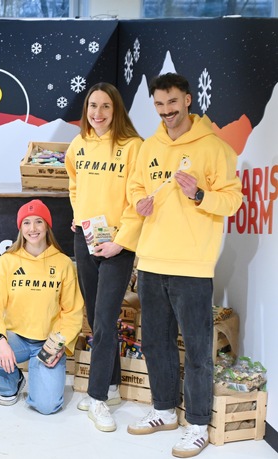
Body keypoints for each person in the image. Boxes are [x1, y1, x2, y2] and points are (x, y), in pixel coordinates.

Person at [126, 73, 242, 458]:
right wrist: (139, 202)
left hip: (193, 265)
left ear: (188, 100)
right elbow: (135, 187)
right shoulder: (149, 147)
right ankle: (163, 410)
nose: (166, 111)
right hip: (151, 260)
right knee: (155, 342)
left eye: (172, 102)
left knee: (196, 349)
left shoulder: (215, 148)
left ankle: (196, 424)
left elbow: (232, 201)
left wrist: (200, 194)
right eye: (159, 104)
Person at [64, 82, 143, 432]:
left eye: (105, 106)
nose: (98, 113)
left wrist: (121, 242)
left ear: (116, 110)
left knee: (107, 318)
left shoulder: (133, 146)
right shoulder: (78, 144)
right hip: (85, 239)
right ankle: (110, 388)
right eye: (92, 106)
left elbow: (138, 201)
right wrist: (78, 213)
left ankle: (96, 398)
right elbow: (74, 184)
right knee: (97, 318)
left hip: (117, 246)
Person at [0, 199, 83, 415]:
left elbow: (72, 311)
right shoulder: (6, 262)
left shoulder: (63, 264)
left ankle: (39, 376)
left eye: (39, 221)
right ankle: (11, 383)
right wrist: (1, 341)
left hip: (48, 343)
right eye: (27, 222)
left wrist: (60, 344)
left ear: (47, 226)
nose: (33, 228)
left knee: (47, 407)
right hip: (17, 340)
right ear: (20, 228)